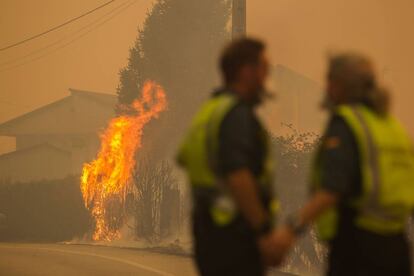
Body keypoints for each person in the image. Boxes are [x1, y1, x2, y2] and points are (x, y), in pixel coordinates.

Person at [274, 53, 414, 276]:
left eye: (330, 81)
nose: (326, 88)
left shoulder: (347, 124)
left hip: (357, 250)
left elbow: (332, 189)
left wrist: (290, 230)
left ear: (341, 85)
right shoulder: (393, 128)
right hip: (398, 250)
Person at [176, 38, 280, 276]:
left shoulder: (211, 111)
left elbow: (185, 157)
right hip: (236, 238)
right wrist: (263, 231)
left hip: (209, 234)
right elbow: (238, 176)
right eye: (264, 68)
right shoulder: (236, 115)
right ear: (246, 71)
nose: (267, 76)